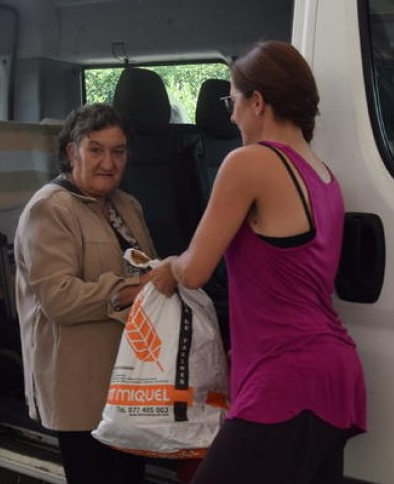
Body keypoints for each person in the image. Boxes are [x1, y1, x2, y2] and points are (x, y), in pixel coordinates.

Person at [149, 41, 367, 484]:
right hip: (335, 373)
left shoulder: (248, 163)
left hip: (286, 378)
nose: (231, 116)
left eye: (233, 101)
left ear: (259, 102)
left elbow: (194, 270)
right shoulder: (323, 174)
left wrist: (166, 267)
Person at [14, 103, 156, 484]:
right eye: (96, 149)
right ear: (70, 152)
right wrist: (132, 290)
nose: (108, 162)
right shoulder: (50, 208)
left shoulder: (127, 204)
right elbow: (59, 298)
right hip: (82, 387)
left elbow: (146, 269)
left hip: (128, 380)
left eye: (118, 151)